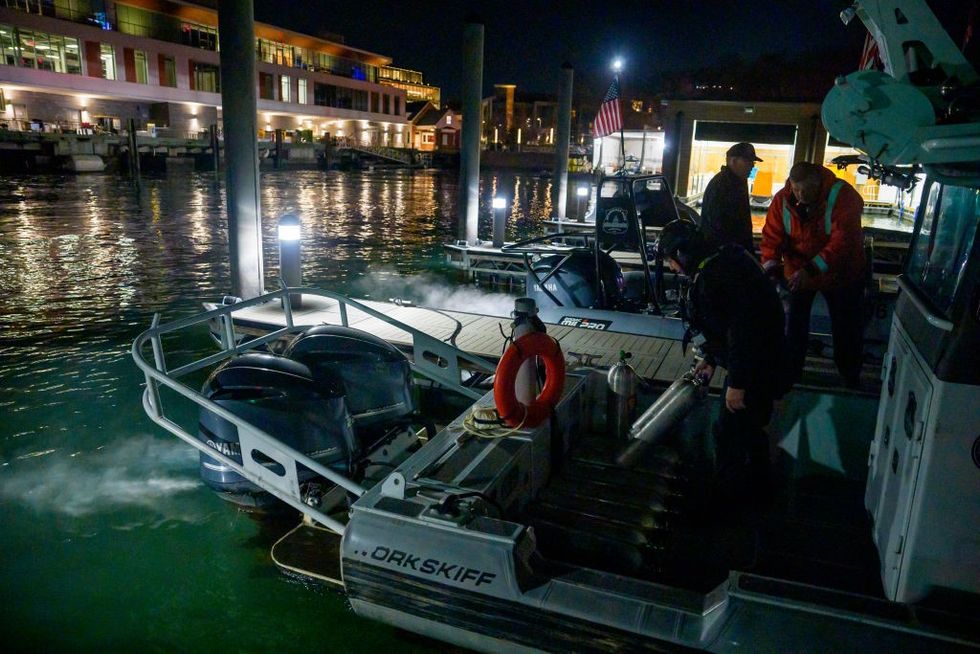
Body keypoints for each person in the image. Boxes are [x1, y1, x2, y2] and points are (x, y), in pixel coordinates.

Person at [657, 219, 784, 503]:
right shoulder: (720, 264)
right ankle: (761, 492)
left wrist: (737, 383)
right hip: (760, 361)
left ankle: (728, 502)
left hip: (755, 367)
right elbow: (727, 325)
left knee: (729, 434)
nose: (671, 268)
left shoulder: (717, 276)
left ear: (682, 254)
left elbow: (744, 332)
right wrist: (712, 359)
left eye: (670, 261)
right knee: (749, 430)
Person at [760, 162, 866, 389]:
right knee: (793, 326)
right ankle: (790, 375)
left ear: (818, 184)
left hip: (840, 274)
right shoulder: (782, 200)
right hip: (797, 273)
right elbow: (771, 237)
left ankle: (850, 377)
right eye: (796, 189)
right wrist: (771, 268)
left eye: (806, 191)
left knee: (846, 327)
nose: (800, 195)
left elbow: (842, 242)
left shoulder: (844, 197)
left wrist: (810, 270)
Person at [698, 142, 761, 252]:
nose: (752, 165)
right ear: (733, 161)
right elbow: (718, 226)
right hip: (724, 257)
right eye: (748, 161)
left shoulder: (737, 182)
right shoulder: (722, 185)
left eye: (753, 162)